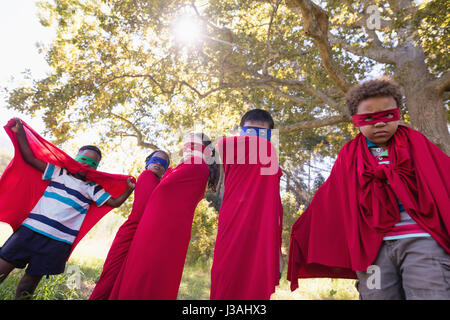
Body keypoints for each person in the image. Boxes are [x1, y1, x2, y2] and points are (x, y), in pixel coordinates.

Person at [287, 77, 450, 300]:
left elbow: (443, 178)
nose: (379, 123)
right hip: (372, 250)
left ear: (398, 114)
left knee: (430, 293)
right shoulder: (349, 155)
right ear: (356, 121)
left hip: (422, 240)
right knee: (377, 294)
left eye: (387, 115)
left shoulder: (416, 143)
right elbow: (331, 198)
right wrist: (301, 232)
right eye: (369, 118)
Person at [0, 118, 135, 299]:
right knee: (2, 269)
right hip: (30, 231)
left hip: (57, 241)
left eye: (92, 163)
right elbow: (29, 157)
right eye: (83, 159)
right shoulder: (58, 173)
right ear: (75, 158)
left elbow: (115, 202)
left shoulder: (92, 188)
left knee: (29, 283)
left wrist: (128, 190)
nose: (86, 164)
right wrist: (21, 132)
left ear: (96, 167)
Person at [108, 133, 219, 300]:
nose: (184, 151)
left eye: (188, 146)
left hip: (163, 230)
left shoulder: (195, 165)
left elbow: (166, 185)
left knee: (148, 272)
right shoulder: (195, 166)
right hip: (161, 227)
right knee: (145, 271)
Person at [210, 109, 284, 300]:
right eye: (249, 134)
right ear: (241, 132)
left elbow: (275, 205)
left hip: (261, 231)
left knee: (255, 286)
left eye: (261, 135)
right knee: (226, 280)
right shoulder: (228, 145)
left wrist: (277, 250)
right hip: (232, 223)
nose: (255, 141)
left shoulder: (271, 161)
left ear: (269, 137)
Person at [89, 150, 170, 300]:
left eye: (163, 162)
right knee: (110, 277)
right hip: (132, 232)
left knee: (128, 279)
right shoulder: (147, 175)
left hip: (145, 235)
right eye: (156, 159)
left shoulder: (161, 185)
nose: (159, 163)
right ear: (147, 162)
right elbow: (143, 211)